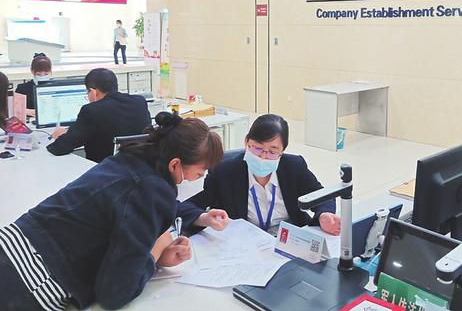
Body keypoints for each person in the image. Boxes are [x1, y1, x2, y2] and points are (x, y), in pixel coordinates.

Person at [0, 112, 225, 311]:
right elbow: (115, 293)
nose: (201, 177)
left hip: (12, 244)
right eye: (200, 172)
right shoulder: (151, 192)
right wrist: (156, 250)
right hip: (30, 281)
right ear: (175, 165)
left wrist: (157, 254)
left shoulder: (132, 159)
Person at [178, 114, 341, 236]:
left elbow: (322, 196)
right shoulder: (224, 172)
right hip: (246, 243)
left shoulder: (293, 166)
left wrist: (323, 215)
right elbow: (184, 207)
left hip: (290, 240)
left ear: (282, 151)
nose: (263, 156)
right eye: (257, 148)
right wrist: (204, 218)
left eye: (272, 151)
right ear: (246, 142)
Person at [47, 68, 151, 163]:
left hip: (105, 171)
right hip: (142, 168)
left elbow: (60, 148)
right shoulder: (139, 102)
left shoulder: (91, 110)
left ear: (93, 92)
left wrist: (58, 136)